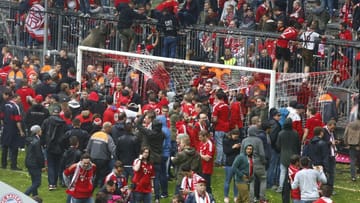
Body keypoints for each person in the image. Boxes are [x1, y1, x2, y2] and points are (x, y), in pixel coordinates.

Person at [41, 105, 68, 190]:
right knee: (57, 165)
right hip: (60, 147)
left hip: (49, 146)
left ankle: (51, 184)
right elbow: (65, 136)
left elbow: (42, 133)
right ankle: (54, 183)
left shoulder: (46, 121)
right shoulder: (63, 122)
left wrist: (43, 143)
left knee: (51, 165)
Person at [276, 117, 301, 202]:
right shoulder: (295, 133)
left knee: (283, 172)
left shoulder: (281, 133)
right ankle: (295, 186)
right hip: (294, 156)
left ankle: (281, 187)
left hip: (283, 155)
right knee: (294, 172)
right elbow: (298, 145)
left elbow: (278, 146)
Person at [241, 122, 266, 202]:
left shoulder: (244, 140)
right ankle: (262, 198)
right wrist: (264, 161)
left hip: (248, 163)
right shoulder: (259, 141)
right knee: (263, 179)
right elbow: (262, 153)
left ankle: (251, 199)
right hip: (258, 163)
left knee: (251, 181)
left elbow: (241, 153)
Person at [86, 122, 117, 189]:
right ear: (107, 128)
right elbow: (113, 150)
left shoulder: (94, 135)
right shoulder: (108, 137)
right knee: (103, 175)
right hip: (103, 159)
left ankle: (91, 187)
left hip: (93, 158)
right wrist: (116, 157)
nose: (111, 129)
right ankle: (101, 189)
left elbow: (88, 147)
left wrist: (87, 156)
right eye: (110, 128)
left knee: (94, 174)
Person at [1, 92, 25, 170]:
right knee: (14, 147)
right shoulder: (15, 107)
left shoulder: (5, 105)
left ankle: (3, 164)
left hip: (6, 128)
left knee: (5, 147)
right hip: (13, 129)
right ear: (14, 98)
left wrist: (4, 125)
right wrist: (21, 131)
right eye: (19, 99)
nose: (20, 100)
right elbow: (17, 120)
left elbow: (1, 117)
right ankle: (13, 165)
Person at [24, 125, 45, 197]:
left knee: (34, 181)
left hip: (29, 162)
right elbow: (39, 155)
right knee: (37, 182)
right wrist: (42, 165)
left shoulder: (29, 139)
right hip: (34, 163)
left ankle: (35, 196)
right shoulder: (37, 141)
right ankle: (25, 194)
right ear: (38, 132)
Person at [212, 90, 229, 167]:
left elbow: (215, 119)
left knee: (219, 145)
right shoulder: (226, 105)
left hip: (219, 127)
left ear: (216, 97)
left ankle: (219, 160)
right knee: (225, 144)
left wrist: (212, 122)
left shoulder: (216, 106)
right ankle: (225, 160)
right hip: (226, 127)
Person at [223, 129, 241, 203]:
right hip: (229, 163)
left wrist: (239, 146)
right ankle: (226, 196)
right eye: (235, 136)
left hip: (237, 164)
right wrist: (233, 147)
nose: (236, 138)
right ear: (231, 134)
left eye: (237, 137)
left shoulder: (238, 140)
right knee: (228, 180)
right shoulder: (226, 141)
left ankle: (236, 196)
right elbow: (226, 151)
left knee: (236, 181)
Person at [343, 116, 360, 181]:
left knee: (352, 161)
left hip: (351, 144)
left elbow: (345, 134)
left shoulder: (350, 124)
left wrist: (346, 143)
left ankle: (353, 177)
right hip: (358, 144)